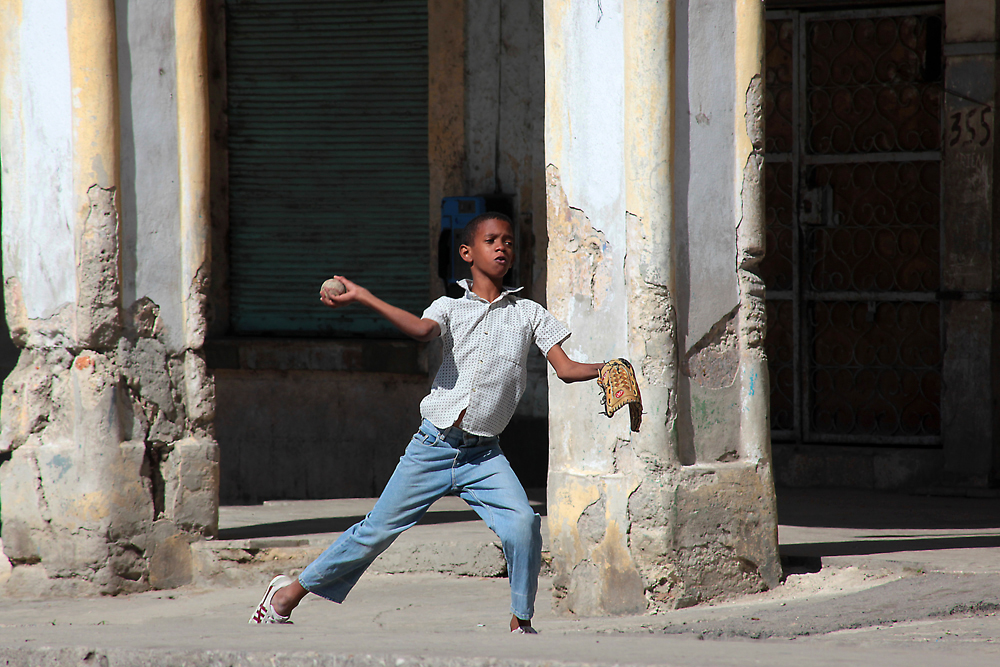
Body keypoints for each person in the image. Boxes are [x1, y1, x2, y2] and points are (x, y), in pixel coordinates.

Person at [249, 212, 604, 633]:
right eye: (492, 240)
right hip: (433, 447)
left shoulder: (529, 313)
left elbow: (564, 369)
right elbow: (421, 331)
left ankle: (520, 622)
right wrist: (363, 295)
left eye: (508, 241)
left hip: (484, 455)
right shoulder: (449, 307)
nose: (502, 247)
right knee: (376, 532)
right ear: (467, 253)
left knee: (524, 524)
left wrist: (608, 367)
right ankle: (286, 595)